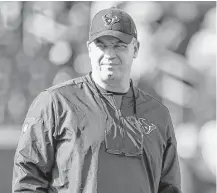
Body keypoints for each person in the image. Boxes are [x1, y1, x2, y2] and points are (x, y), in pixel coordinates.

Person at [12, 7, 182, 193]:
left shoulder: (158, 114)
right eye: (102, 45)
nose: (109, 54)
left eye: (119, 45)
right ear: (89, 49)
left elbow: (169, 187)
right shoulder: (56, 103)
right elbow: (28, 179)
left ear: (136, 49)